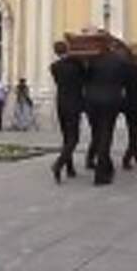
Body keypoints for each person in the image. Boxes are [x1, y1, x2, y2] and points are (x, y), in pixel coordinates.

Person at [84, 44, 128, 186]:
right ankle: (101, 174)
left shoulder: (92, 60)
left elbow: (85, 79)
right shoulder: (119, 61)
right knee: (106, 136)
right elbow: (125, 81)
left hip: (91, 102)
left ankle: (106, 166)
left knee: (97, 134)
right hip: (110, 101)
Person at [50, 41, 85, 183]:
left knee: (66, 138)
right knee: (74, 139)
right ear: (68, 49)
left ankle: (70, 168)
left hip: (61, 104)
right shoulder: (76, 65)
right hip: (74, 104)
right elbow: (83, 78)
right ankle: (59, 164)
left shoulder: (54, 67)